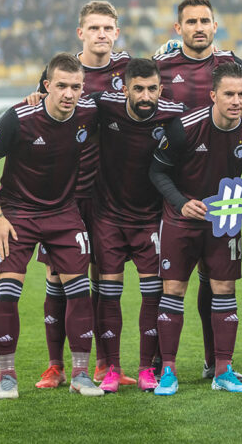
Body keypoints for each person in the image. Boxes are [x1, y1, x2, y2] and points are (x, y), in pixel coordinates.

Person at [154, 0, 242, 382]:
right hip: (176, 184)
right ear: (179, 29)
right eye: (190, 22)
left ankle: (218, 364)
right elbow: (128, 92)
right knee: (163, 286)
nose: (198, 27)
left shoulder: (233, 66)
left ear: (214, 25)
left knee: (219, 285)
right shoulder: (161, 65)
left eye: (204, 21)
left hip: (222, 199)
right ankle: (163, 366)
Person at [0, 53, 103, 399]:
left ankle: (80, 374)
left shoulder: (89, 113)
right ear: (46, 86)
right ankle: (7, 377)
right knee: (7, 292)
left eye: (76, 87)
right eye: (61, 86)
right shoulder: (20, 117)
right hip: (17, 214)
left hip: (64, 214)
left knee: (79, 292)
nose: (69, 93)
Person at [32, 0, 135, 389]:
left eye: (108, 28)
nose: (102, 35)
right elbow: (39, 110)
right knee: (58, 277)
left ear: (117, 32)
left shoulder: (127, 71)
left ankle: (107, 365)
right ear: (81, 33)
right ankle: (56, 366)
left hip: (111, 194)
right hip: (66, 194)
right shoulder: (62, 71)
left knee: (105, 279)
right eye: (94, 28)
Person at [149, 62, 242, 395]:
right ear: (213, 95)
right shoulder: (185, 127)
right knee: (173, 291)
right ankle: (168, 371)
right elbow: (158, 172)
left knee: (225, 290)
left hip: (224, 218)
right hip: (181, 218)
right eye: (228, 94)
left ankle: (222, 371)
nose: (236, 100)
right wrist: (181, 201)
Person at [88, 58, 183, 392]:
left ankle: (146, 369)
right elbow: (64, 104)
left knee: (152, 293)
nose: (146, 96)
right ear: (124, 88)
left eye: (152, 89)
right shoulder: (104, 105)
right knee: (109, 293)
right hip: (108, 217)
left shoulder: (174, 114)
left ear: (161, 88)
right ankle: (111, 369)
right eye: (138, 89)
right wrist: (33, 97)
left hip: (150, 219)